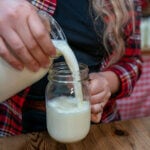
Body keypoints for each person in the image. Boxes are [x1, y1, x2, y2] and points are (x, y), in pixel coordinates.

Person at [0, 0, 142, 136]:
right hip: (12, 119)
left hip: (99, 125)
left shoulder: (126, 2)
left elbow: (131, 61)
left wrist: (105, 82)